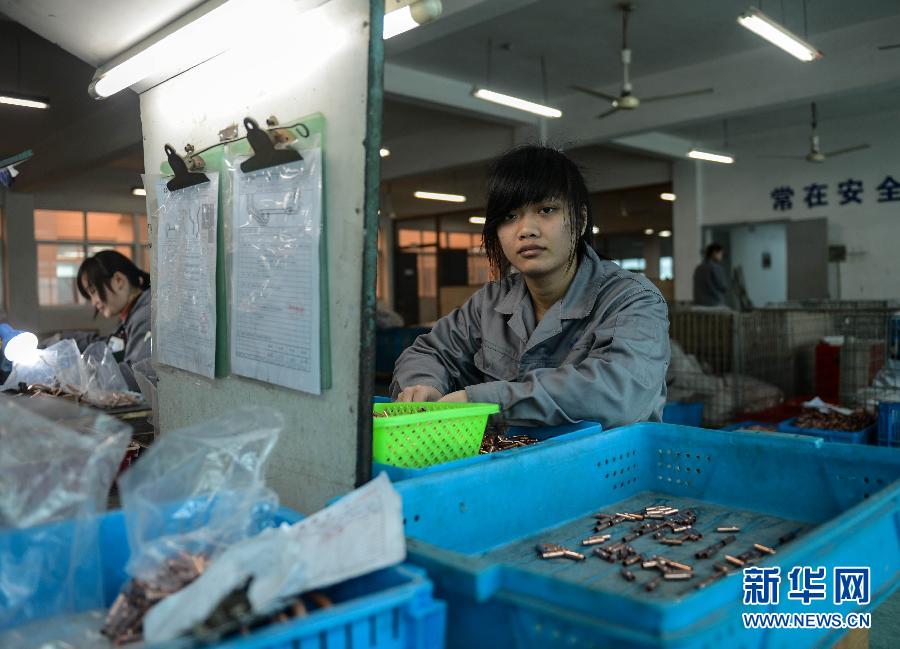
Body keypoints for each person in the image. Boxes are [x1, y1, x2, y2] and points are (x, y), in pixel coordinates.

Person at [390, 145, 671, 429]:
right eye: (510, 216)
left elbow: (620, 393)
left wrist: (486, 403)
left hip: (604, 469)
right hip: (513, 466)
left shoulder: (631, 299)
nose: (526, 230)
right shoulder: (489, 303)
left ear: (581, 219)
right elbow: (429, 352)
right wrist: (422, 385)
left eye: (546, 209)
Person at [75, 250, 151, 390]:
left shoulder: (146, 315)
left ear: (118, 280)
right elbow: (108, 346)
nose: (94, 303)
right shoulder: (131, 317)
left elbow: (136, 376)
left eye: (93, 292)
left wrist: (77, 375)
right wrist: (66, 341)